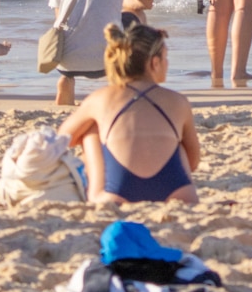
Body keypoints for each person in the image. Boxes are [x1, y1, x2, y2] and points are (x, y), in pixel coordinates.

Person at [62, 23, 198, 206]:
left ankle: (97, 188)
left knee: (91, 130)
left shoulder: (101, 98)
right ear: (154, 63)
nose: (167, 64)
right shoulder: (178, 101)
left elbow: (63, 139)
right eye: (165, 57)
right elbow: (193, 161)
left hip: (117, 196)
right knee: (177, 139)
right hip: (179, 194)